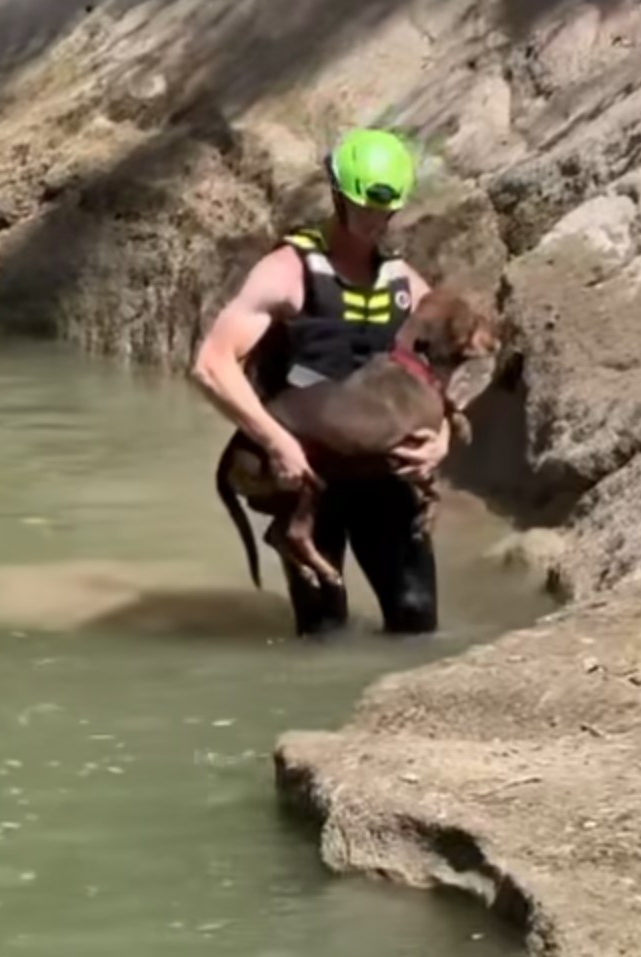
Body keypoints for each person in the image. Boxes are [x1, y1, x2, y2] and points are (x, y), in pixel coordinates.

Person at [192, 127, 451, 637]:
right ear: (337, 194)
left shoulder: (404, 282)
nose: (378, 221)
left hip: (383, 477)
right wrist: (278, 443)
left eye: (387, 211)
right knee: (323, 630)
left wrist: (440, 440)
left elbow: (437, 376)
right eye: (366, 208)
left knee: (417, 621)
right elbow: (212, 365)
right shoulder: (286, 272)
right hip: (307, 477)